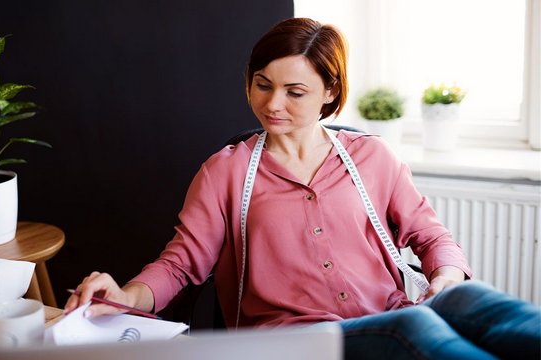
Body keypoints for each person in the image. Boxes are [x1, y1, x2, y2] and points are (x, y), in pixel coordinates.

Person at [65, 18, 541, 359]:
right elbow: (181, 265)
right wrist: (125, 297)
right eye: (261, 84)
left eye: (295, 92)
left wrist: (445, 279)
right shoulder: (224, 173)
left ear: (330, 92)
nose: (272, 104)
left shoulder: (373, 157)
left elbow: (434, 239)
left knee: (472, 300)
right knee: (414, 326)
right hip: (300, 341)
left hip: (391, 309)